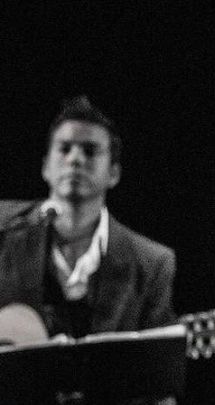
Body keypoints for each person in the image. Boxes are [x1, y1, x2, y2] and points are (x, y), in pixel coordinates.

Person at [0, 95, 176, 340]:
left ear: (113, 173)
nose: (75, 159)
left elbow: (156, 359)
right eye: (64, 149)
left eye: (90, 151)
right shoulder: (6, 227)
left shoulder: (152, 264)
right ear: (45, 167)